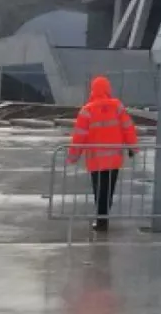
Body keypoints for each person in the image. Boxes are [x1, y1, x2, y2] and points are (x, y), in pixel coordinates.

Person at [66, 75, 139, 232]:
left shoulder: (87, 110)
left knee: (99, 189)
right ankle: (104, 216)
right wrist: (133, 148)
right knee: (109, 189)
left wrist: (73, 156)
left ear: (93, 90)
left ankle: (101, 220)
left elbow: (79, 135)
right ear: (108, 89)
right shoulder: (117, 106)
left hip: (96, 160)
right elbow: (128, 127)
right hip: (114, 159)